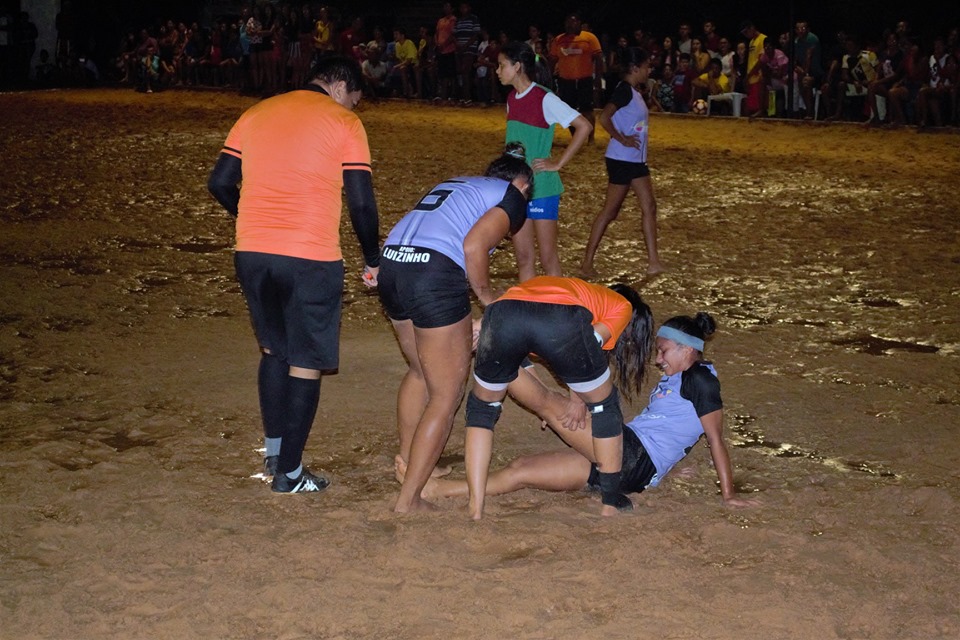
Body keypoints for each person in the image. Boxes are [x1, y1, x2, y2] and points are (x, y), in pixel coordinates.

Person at [207, 56, 381, 494]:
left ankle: (273, 450)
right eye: (355, 100)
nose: (354, 108)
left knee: (273, 350)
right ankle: (289, 473)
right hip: (309, 256)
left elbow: (219, 182)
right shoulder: (343, 122)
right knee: (305, 363)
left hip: (252, 252)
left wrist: (248, 215)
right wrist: (372, 257)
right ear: (341, 85)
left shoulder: (256, 112)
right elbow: (361, 203)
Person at [413, 312, 759, 512]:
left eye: (664, 351)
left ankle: (501, 344)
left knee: (552, 405)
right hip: (625, 466)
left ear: (688, 350)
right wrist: (664, 471)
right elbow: (673, 432)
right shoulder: (683, 379)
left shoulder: (700, 379)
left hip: (630, 455)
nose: (657, 359)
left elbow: (715, 439)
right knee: (521, 470)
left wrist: (728, 494)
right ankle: (437, 491)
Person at [378, 143, 533, 513]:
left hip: (394, 262)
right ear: (522, 186)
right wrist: (488, 299)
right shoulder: (514, 197)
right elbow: (473, 246)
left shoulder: (461, 185)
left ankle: (408, 461)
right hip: (433, 272)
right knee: (446, 396)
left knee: (419, 369)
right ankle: (409, 499)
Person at [463, 276, 654, 518]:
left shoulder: (575, 289)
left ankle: (475, 509)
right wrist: (579, 396)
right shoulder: (622, 308)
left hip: (503, 312)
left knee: (482, 410)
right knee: (605, 406)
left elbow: (507, 322)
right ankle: (610, 502)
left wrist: (483, 327)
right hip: (560, 320)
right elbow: (588, 346)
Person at [496, 41, 591, 282]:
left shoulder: (544, 98)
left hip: (541, 188)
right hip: (517, 189)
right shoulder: (511, 98)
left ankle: (555, 312)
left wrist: (558, 163)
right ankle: (530, 311)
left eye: (501, 65)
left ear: (517, 67)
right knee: (524, 258)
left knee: (549, 259)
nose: (497, 71)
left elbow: (584, 127)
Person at [580, 47, 664, 279]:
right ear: (635, 69)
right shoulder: (624, 91)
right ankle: (586, 263)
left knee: (649, 206)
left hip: (634, 160)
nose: (649, 70)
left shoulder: (633, 92)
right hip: (621, 159)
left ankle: (654, 262)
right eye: (646, 66)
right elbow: (604, 117)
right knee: (610, 211)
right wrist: (622, 138)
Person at [549, 12, 603, 142]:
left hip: (585, 79)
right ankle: (575, 137)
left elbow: (599, 59)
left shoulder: (589, 38)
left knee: (587, 109)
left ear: (579, 23)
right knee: (568, 111)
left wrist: (597, 79)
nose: (570, 25)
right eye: (567, 22)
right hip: (566, 81)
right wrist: (551, 76)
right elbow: (552, 59)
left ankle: (591, 138)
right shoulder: (559, 40)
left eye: (573, 22)